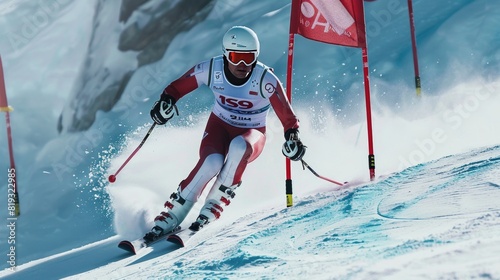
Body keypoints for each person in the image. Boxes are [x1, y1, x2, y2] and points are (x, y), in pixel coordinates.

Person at [144, 26, 306, 241]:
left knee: (239, 147)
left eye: (249, 58)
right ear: (225, 54)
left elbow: (288, 117)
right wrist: (166, 102)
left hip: (252, 133)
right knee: (212, 162)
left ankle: (214, 203)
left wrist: (293, 138)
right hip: (219, 127)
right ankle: (174, 212)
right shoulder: (212, 69)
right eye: (237, 57)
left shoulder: (265, 79)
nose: (243, 65)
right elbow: (178, 87)